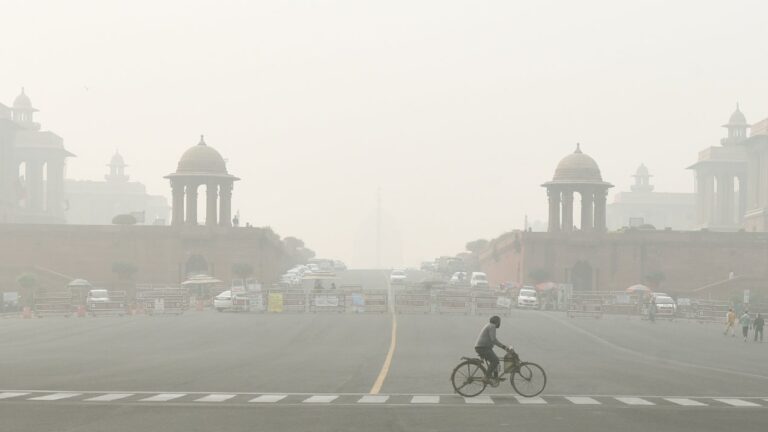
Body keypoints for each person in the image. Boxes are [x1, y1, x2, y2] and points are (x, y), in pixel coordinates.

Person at [474, 316, 512, 387]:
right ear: (497, 322)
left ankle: (495, 377)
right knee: (495, 361)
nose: (499, 324)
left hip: (484, 347)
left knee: (496, 361)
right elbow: (493, 340)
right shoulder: (492, 326)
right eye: (499, 322)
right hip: (482, 348)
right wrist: (504, 347)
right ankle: (486, 377)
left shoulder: (489, 325)